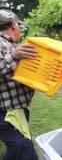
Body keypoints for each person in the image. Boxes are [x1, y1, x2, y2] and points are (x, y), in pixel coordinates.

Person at [0, 9, 38, 160]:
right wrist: (14, 56)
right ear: (14, 25)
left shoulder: (12, 45)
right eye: (19, 26)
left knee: (16, 149)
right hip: (5, 114)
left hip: (17, 110)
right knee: (24, 148)